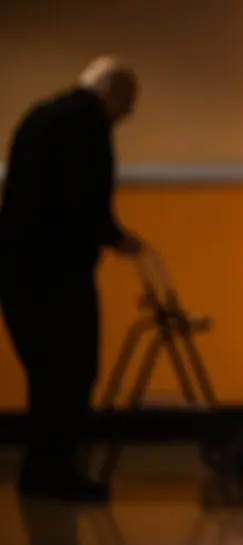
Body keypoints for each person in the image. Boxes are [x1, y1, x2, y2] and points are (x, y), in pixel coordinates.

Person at [0, 56, 142, 503]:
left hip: (19, 271)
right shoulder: (88, 126)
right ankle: (55, 473)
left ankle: (41, 470)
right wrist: (117, 238)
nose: (127, 115)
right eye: (128, 105)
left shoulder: (41, 115)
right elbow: (85, 197)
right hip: (57, 275)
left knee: (46, 374)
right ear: (113, 93)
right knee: (72, 371)